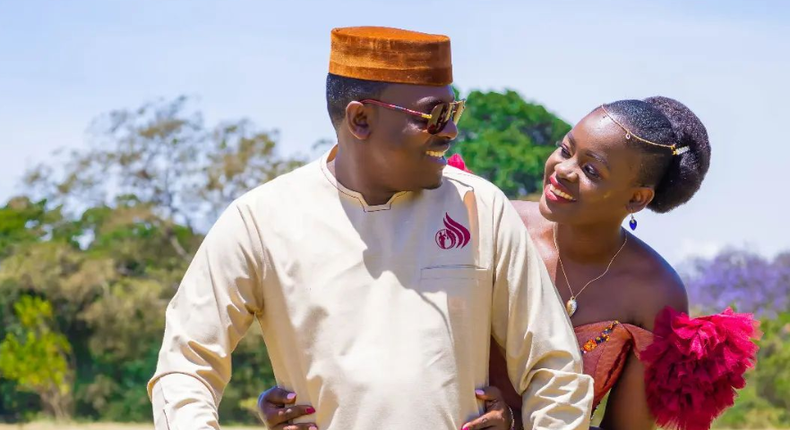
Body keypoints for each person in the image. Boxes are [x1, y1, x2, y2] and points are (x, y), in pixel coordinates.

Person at [147, 26, 594, 430]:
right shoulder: (261, 219)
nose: (452, 130)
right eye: (434, 115)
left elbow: (553, 368)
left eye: (454, 110)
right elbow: (186, 365)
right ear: (361, 119)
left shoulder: (480, 206)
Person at [261, 97, 759, 430]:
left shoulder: (655, 293)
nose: (562, 171)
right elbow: (378, 320)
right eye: (566, 149)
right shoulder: (483, 220)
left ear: (636, 197)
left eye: (590, 170)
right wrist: (302, 391)